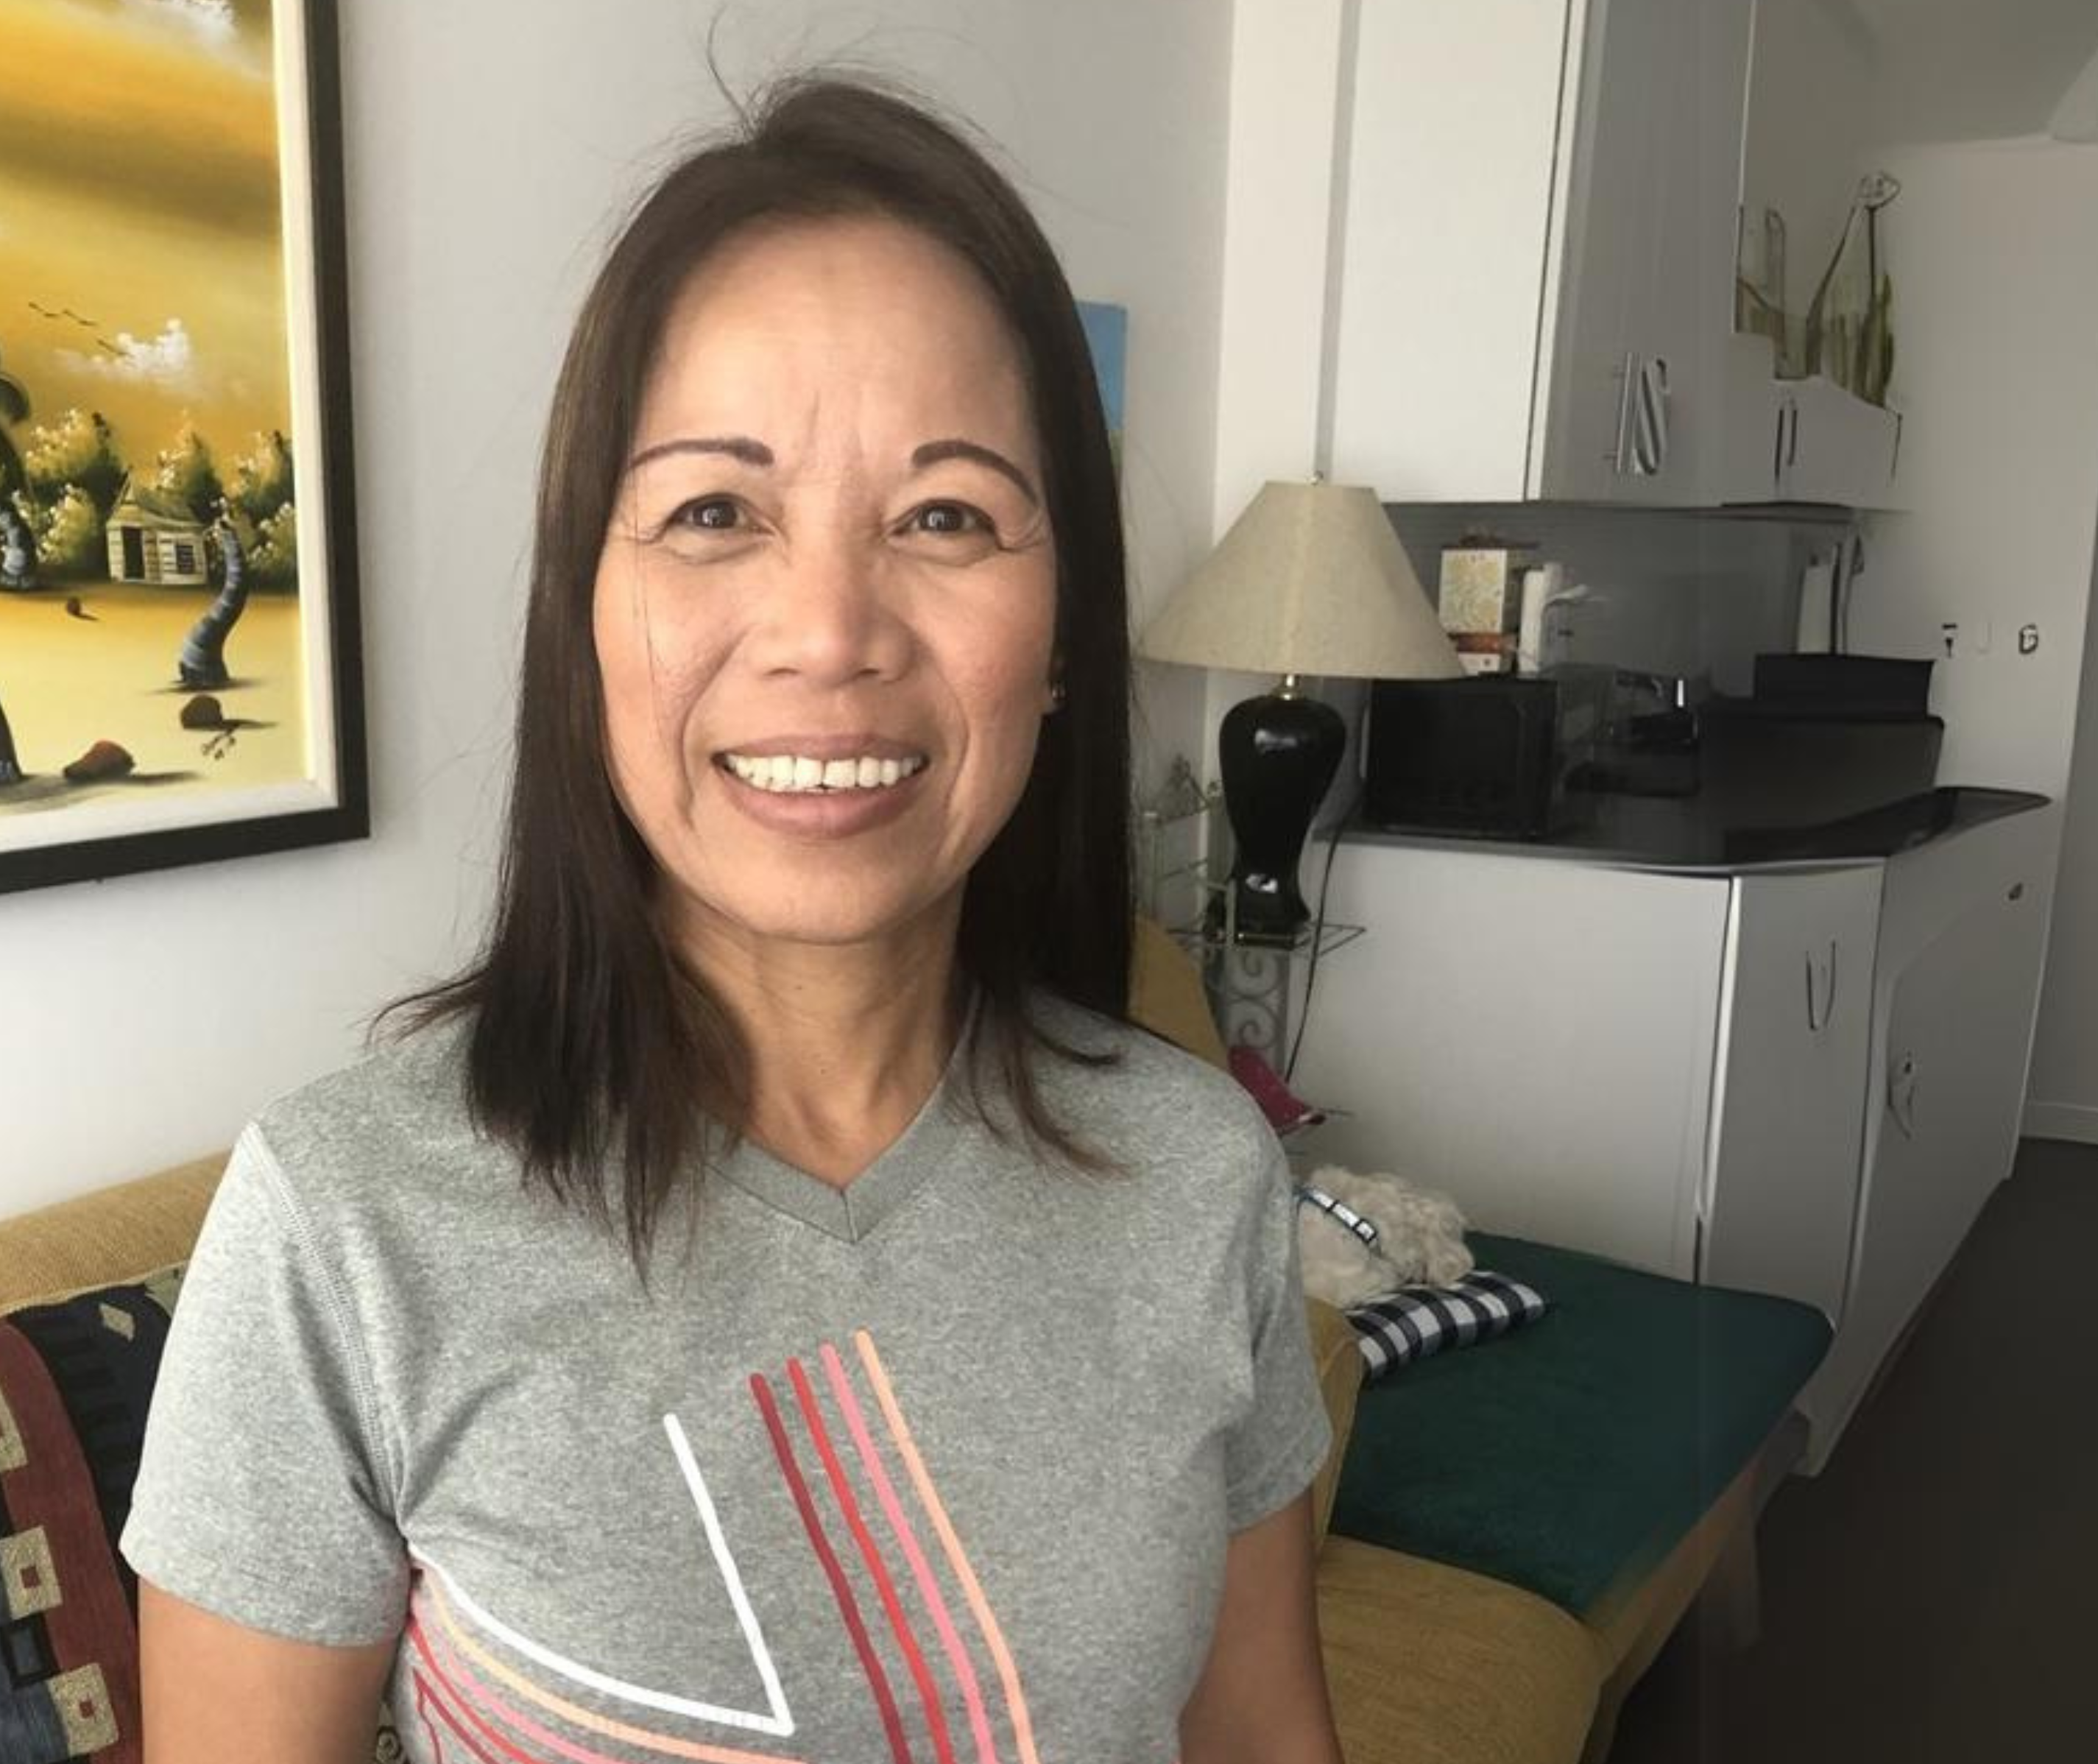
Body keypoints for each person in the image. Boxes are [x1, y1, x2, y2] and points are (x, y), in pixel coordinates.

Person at [121, 74, 1343, 1764]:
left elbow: (1265, 1742)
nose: (830, 630)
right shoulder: (346, 1229)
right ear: (590, 616)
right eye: (715, 513)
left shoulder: (1196, 1171)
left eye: (946, 516)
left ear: (1060, 634)